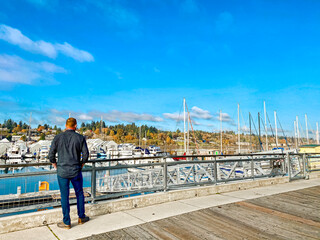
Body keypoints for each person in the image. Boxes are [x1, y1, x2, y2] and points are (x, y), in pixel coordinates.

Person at [49, 117, 90, 229]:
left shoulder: (58, 137)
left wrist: (55, 164)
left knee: (64, 196)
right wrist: (81, 164)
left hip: (62, 171)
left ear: (66, 125)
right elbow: (86, 155)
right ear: (75, 125)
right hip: (76, 170)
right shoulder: (80, 138)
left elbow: (51, 155)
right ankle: (81, 217)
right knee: (79, 194)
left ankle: (66, 222)